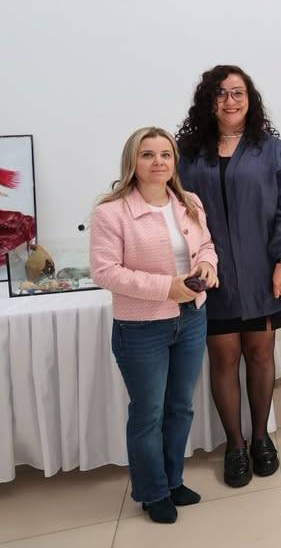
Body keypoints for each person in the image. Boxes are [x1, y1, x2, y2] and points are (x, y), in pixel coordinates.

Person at [177, 65, 281, 487]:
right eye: (221, 93)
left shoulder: (269, 148)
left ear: (250, 99)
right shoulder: (189, 151)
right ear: (208, 100)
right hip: (212, 275)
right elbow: (177, 210)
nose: (230, 101)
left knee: (261, 355)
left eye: (238, 93)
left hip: (265, 271)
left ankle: (261, 437)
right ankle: (235, 444)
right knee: (224, 358)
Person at [90, 127, 218, 524]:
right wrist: (167, 288)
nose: (158, 162)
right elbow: (105, 271)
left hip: (192, 318)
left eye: (166, 154)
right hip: (142, 328)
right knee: (148, 413)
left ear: (174, 161)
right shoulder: (111, 212)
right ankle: (152, 491)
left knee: (181, 407)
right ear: (133, 161)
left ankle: (173, 480)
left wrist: (207, 265)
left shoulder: (189, 201)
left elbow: (207, 245)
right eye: (148, 154)